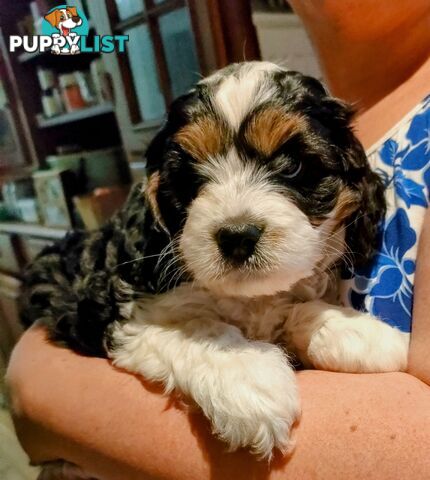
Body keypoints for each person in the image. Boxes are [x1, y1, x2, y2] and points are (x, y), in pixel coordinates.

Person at [6, 1, 430, 478]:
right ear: (159, 202)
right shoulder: (160, 277)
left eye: (289, 168)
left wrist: (42, 392)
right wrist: (211, 355)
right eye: (193, 179)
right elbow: (107, 318)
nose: (236, 218)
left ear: (358, 189)